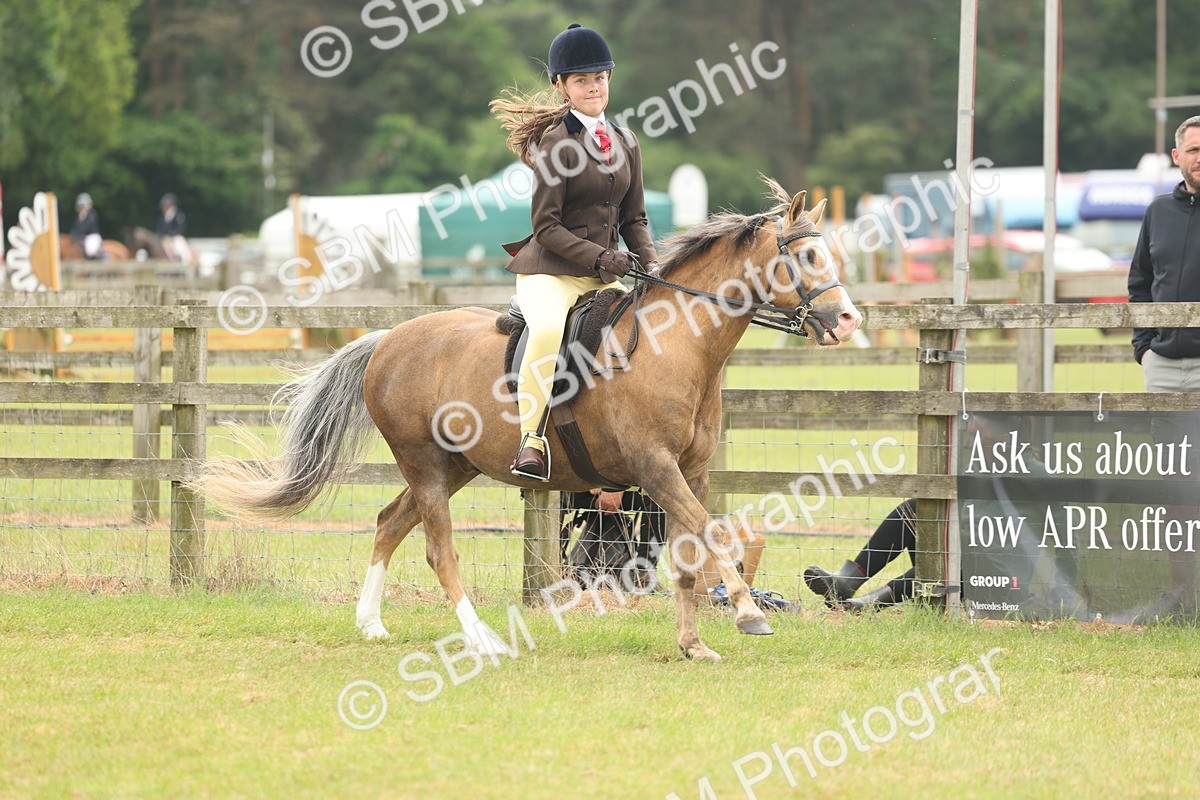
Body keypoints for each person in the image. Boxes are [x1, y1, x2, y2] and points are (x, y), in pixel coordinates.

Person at [491, 23, 659, 480]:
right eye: (581, 80)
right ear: (561, 87)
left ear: (610, 79)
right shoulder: (555, 143)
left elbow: (634, 219)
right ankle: (531, 440)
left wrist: (652, 263)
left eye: (599, 78)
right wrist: (601, 257)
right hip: (551, 272)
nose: (593, 87)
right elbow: (545, 227)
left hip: (602, 276)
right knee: (547, 331)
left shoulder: (626, 142)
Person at [1126, 114, 1200, 621]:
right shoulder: (1157, 212)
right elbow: (1140, 284)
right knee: (1173, 480)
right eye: (1193, 149)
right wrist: (1144, 348)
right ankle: (1180, 594)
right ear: (1177, 156)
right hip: (1164, 367)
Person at [156, 192, 193, 263]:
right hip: (164, 239)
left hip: (175, 237)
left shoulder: (179, 215)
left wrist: (170, 236)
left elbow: (180, 229)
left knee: (180, 245)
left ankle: (185, 261)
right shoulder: (162, 217)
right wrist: (162, 236)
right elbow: (159, 229)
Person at [70, 193, 104, 260]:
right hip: (82, 237)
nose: (81, 207)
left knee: (90, 251)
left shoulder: (92, 215)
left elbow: (87, 227)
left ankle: (96, 261)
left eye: (83, 205)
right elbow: (75, 227)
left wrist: (80, 235)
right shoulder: (79, 216)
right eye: (80, 206)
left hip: (91, 236)